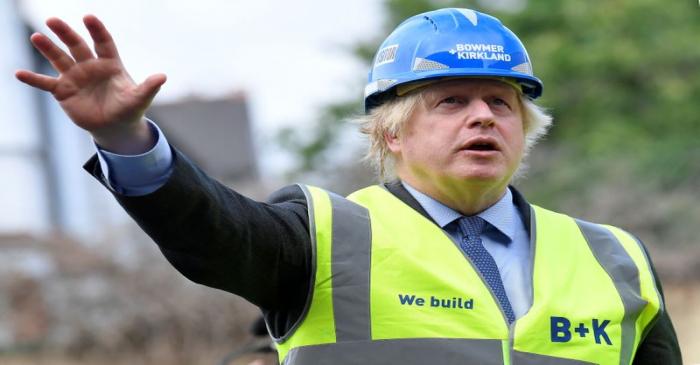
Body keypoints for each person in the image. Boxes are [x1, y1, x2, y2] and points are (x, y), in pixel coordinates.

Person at [16, 8, 681, 365]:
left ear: (524, 128)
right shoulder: (325, 236)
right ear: (391, 135)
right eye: (451, 102)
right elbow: (212, 231)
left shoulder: (615, 257)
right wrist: (128, 140)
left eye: (500, 103)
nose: (483, 116)